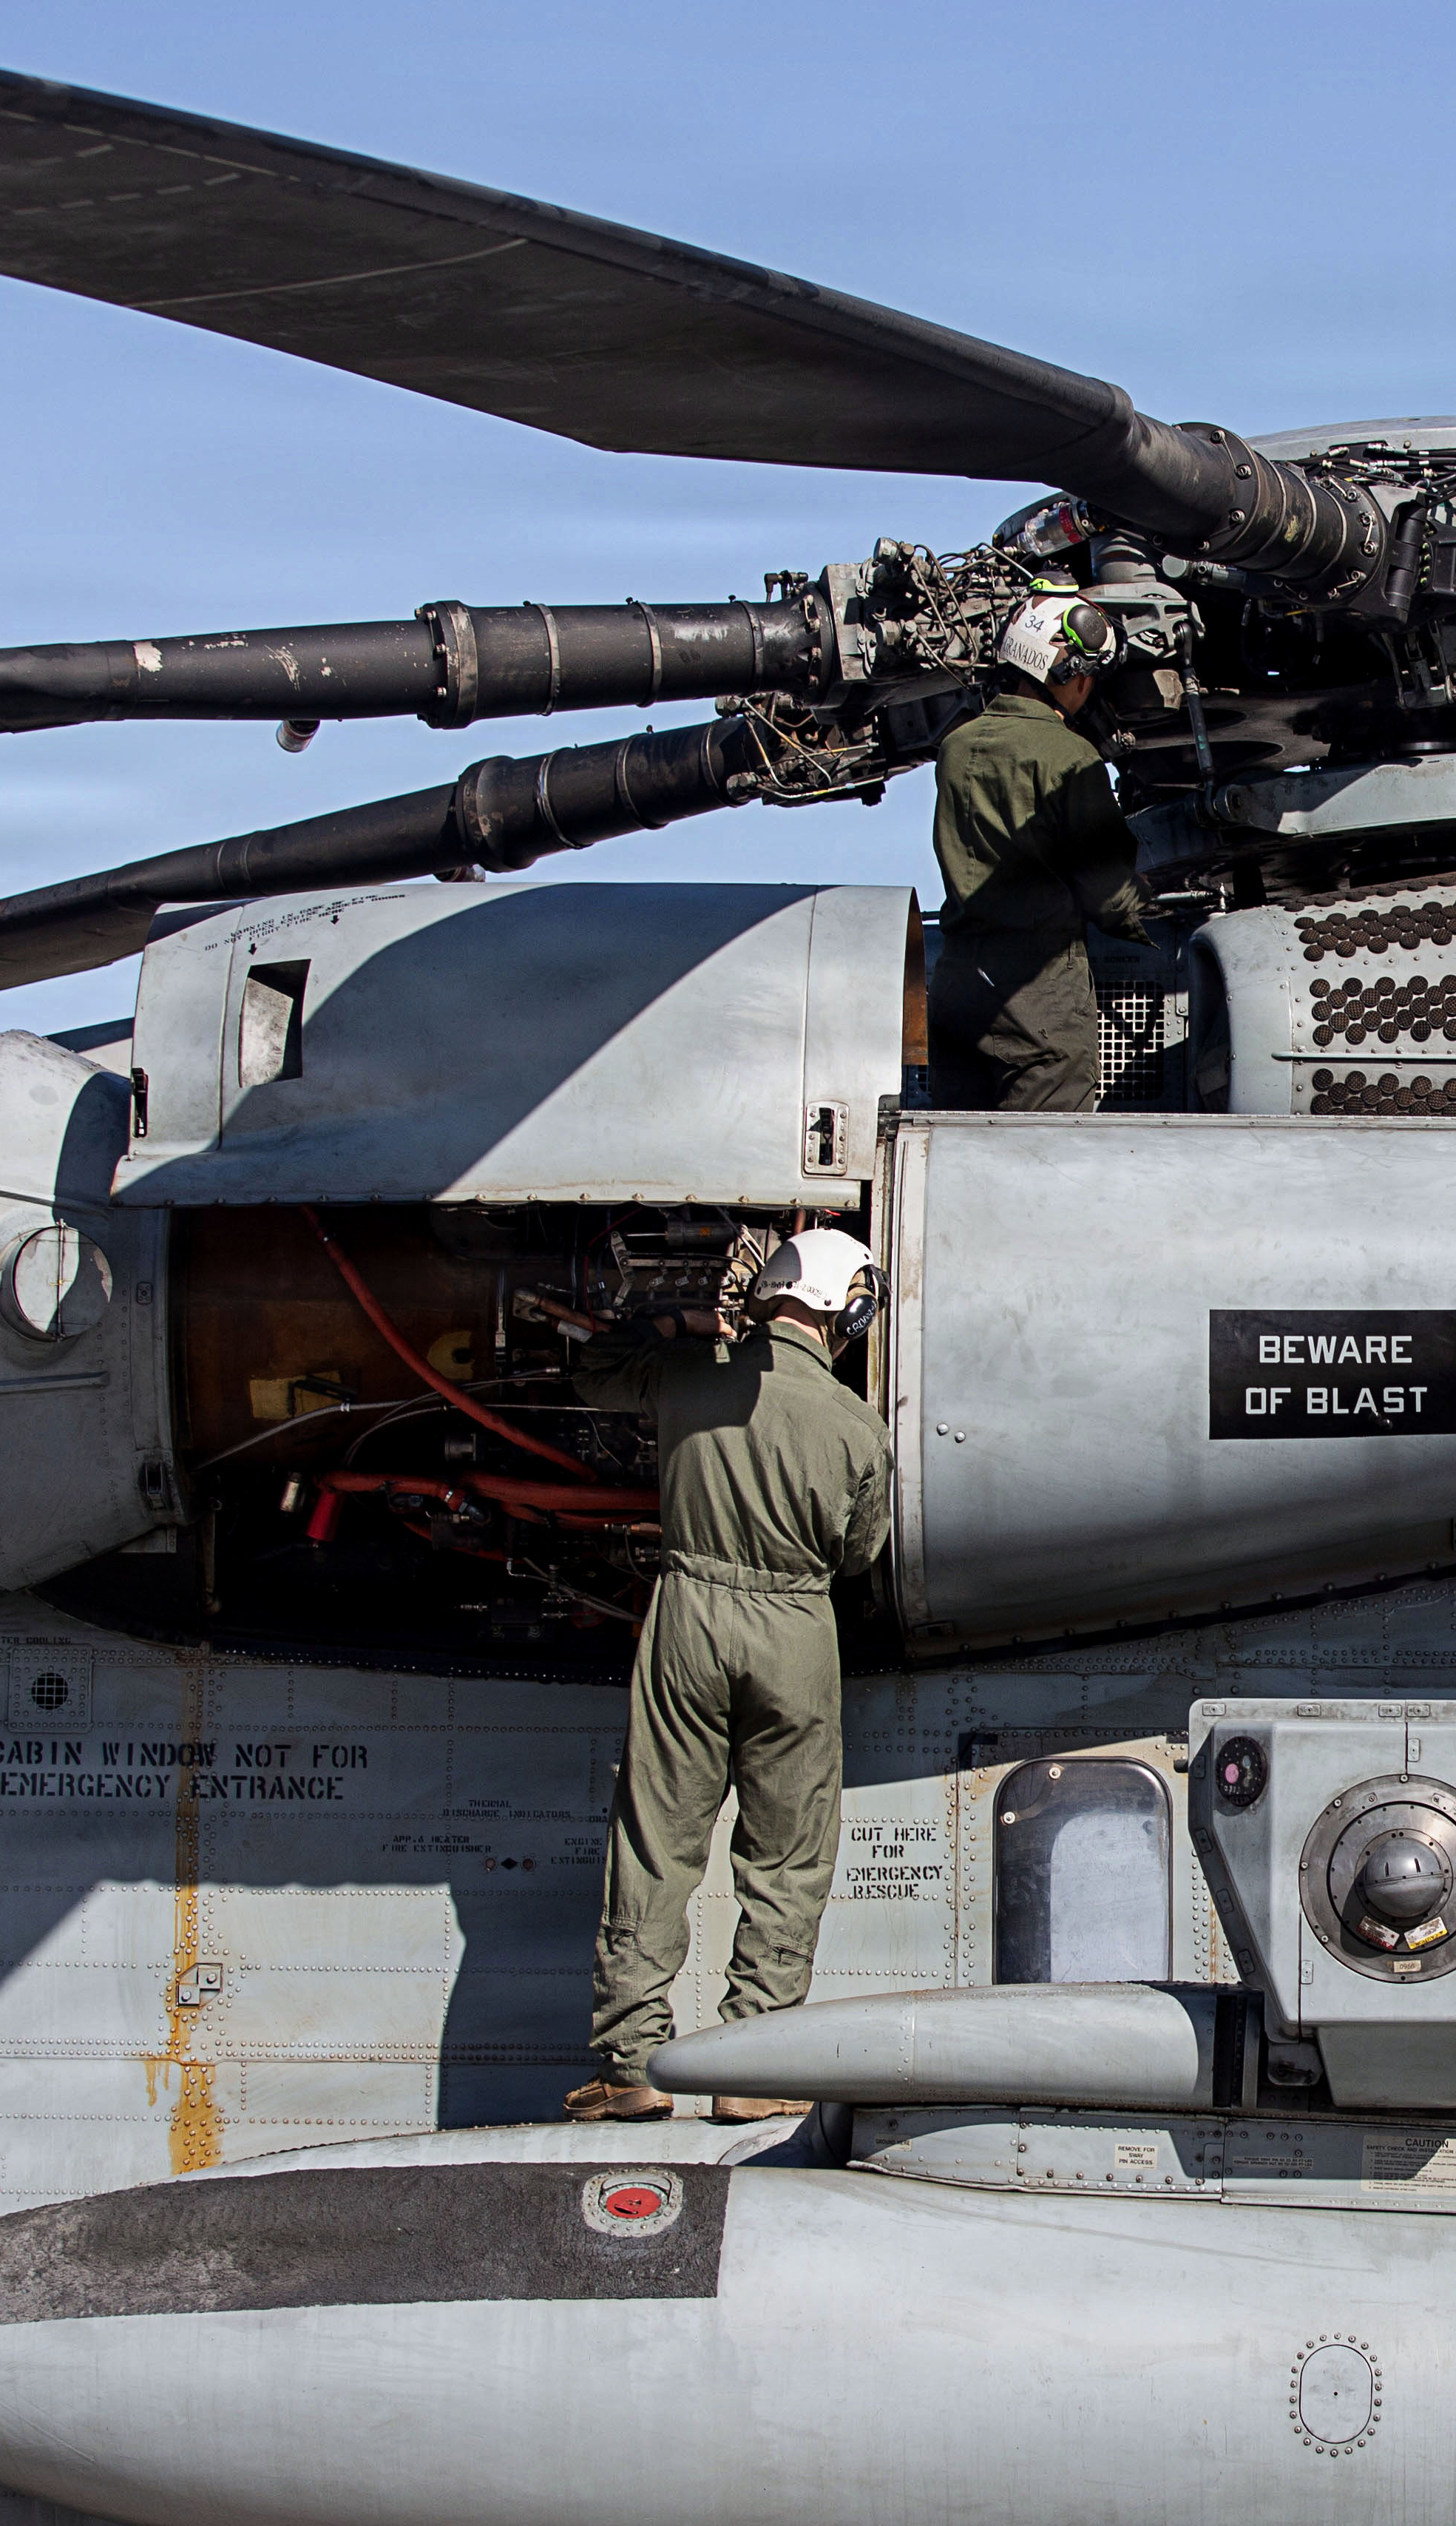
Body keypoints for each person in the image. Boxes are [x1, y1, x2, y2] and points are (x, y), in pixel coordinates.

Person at [549, 1227, 895, 2125]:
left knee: (658, 1841)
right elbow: (860, 1558)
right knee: (786, 1856)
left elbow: (592, 1375)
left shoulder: (695, 1375)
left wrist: (678, 1325)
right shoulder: (861, 1428)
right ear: (845, 1313)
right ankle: (752, 2060)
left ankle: (628, 2064)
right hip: (795, 1626)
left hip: (687, 1612)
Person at [930, 590, 1151, 1111]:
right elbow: (1109, 897)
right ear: (1070, 671)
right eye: (1088, 675)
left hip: (958, 984)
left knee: (959, 1161)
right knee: (1046, 1164)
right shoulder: (1071, 756)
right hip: (1036, 995)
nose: (1088, 688)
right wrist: (1145, 904)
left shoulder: (956, 747)